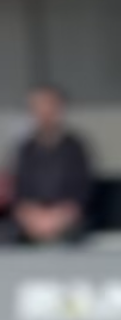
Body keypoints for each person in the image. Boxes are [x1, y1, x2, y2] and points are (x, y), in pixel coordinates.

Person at [4, 86, 95, 243]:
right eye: (37, 107)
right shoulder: (25, 148)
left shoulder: (75, 147)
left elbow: (82, 190)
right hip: (30, 220)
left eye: (49, 105)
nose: (43, 112)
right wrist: (32, 216)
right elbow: (18, 190)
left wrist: (58, 217)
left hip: (66, 219)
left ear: (60, 108)